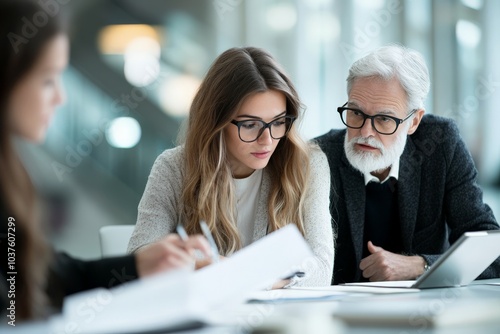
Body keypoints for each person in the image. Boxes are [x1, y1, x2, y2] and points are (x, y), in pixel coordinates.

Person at [0, 0, 211, 321]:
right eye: (47, 79)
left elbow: (45, 275)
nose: (60, 97)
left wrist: (137, 266)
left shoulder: (12, 171)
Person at [127, 47, 334, 287]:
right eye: (249, 125)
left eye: (278, 122)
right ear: (216, 121)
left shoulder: (309, 165)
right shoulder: (174, 167)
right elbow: (140, 257)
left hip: (281, 318)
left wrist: (229, 271)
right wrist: (267, 275)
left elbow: (321, 271)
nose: (267, 139)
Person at [315, 44, 500, 284]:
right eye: (356, 113)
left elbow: (491, 249)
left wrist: (420, 265)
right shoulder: (319, 156)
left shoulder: (440, 143)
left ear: (414, 122)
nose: (366, 132)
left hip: (426, 309)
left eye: (384, 119)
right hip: (339, 310)